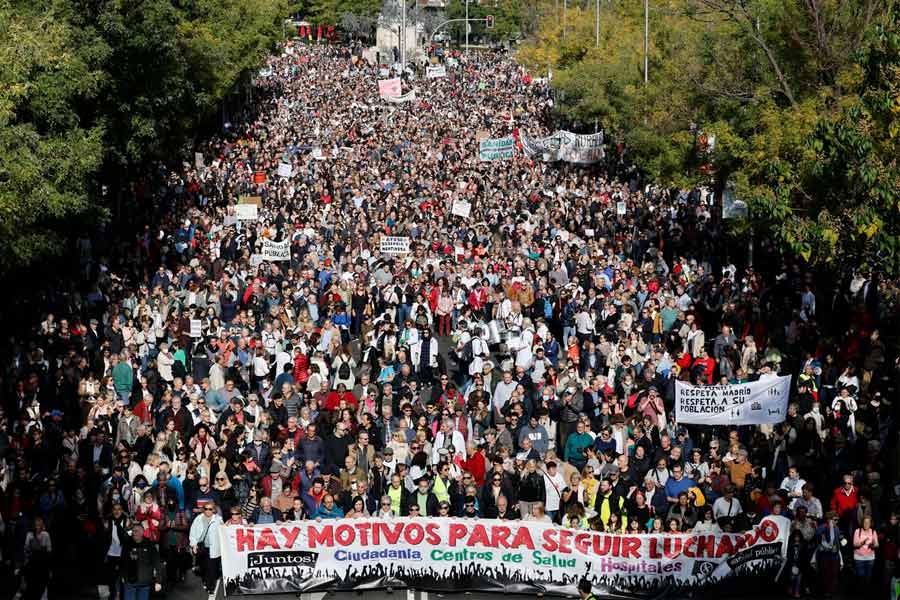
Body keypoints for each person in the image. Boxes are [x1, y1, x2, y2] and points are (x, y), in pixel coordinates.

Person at [190, 501, 223, 600]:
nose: (208, 511)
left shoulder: (218, 519)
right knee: (203, 567)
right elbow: (193, 533)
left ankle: (211, 587)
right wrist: (193, 545)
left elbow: (223, 532)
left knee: (211, 568)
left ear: (214, 510)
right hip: (201, 547)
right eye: (206, 509)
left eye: (210, 509)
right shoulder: (198, 519)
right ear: (203, 509)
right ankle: (205, 580)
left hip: (213, 548)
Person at [120, 524, 163, 600]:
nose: (134, 533)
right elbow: (123, 561)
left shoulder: (150, 545)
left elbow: (157, 563)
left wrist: (158, 581)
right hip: (130, 582)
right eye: (133, 531)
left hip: (145, 583)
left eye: (136, 531)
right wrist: (122, 575)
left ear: (142, 532)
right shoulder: (127, 544)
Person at [853, 515, 878, 587]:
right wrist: (862, 543)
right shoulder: (858, 531)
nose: (866, 524)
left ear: (870, 523)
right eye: (865, 522)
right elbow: (855, 544)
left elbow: (877, 544)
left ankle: (866, 591)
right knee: (861, 576)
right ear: (862, 523)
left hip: (870, 558)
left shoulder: (873, 531)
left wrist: (873, 545)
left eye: (868, 523)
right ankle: (861, 590)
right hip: (859, 558)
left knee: (868, 576)